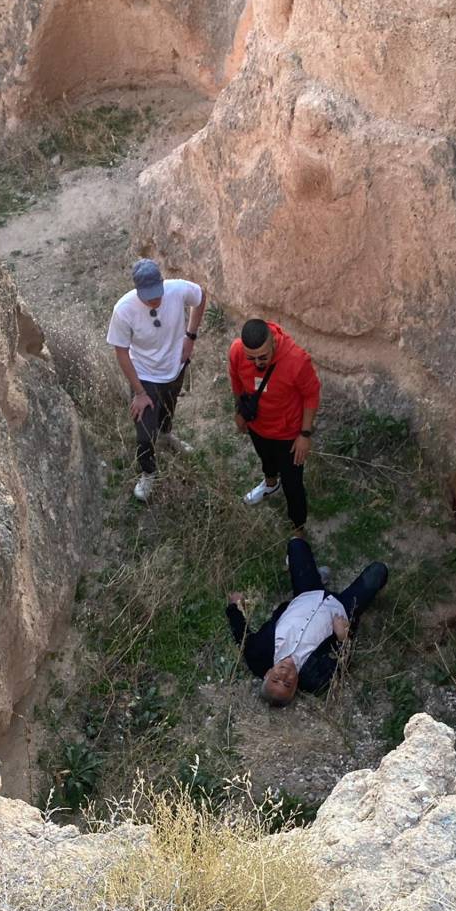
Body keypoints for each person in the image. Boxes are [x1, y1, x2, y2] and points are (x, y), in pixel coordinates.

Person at [226, 537, 388, 705]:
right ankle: (323, 578)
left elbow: (241, 634)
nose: (284, 675)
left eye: (276, 679)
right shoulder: (313, 679)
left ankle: (317, 577)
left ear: (267, 674)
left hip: (307, 594)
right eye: (287, 684)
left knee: (296, 544)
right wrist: (343, 636)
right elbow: (342, 663)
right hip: (342, 609)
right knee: (378, 570)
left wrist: (234, 606)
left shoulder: (257, 655)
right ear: (295, 686)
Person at [107, 258, 206, 501]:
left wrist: (190, 337)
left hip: (175, 367)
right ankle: (148, 472)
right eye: (148, 296)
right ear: (137, 289)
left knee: (169, 410)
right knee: (144, 433)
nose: (154, 300)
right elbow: (121, 352)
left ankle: (167, 435)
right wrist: (140, 393)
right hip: (144, 375)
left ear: (162, 282)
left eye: (157, 292)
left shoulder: (177, 289)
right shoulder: (124, 310)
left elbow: (201, 297)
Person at [229, 317, 320, 535]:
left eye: (263, 357)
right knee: (266, 460)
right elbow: (236, 381)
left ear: (273, 342)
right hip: (257, 426)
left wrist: (304, 434)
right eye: (251, 358)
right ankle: (270, 484)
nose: (257, 363)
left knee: (293, 485)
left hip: (288, 435)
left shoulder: (297, 360)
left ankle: (298, 529)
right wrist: (239, 411)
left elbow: (311, 395)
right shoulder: (236, 351)